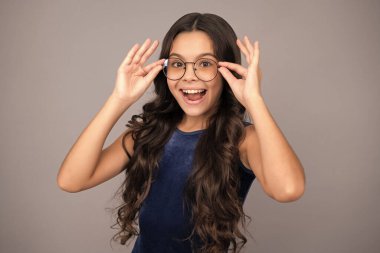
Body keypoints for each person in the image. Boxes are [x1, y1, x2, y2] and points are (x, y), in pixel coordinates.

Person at [57, 12, 305, 253]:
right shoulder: (148, 134)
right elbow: (71, 180)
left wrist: (255, 100)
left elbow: (288, 189)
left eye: (205, 64)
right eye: (177, 64)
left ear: (227, 71)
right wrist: (118, 99)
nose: (189, 77)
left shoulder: (242, 140)